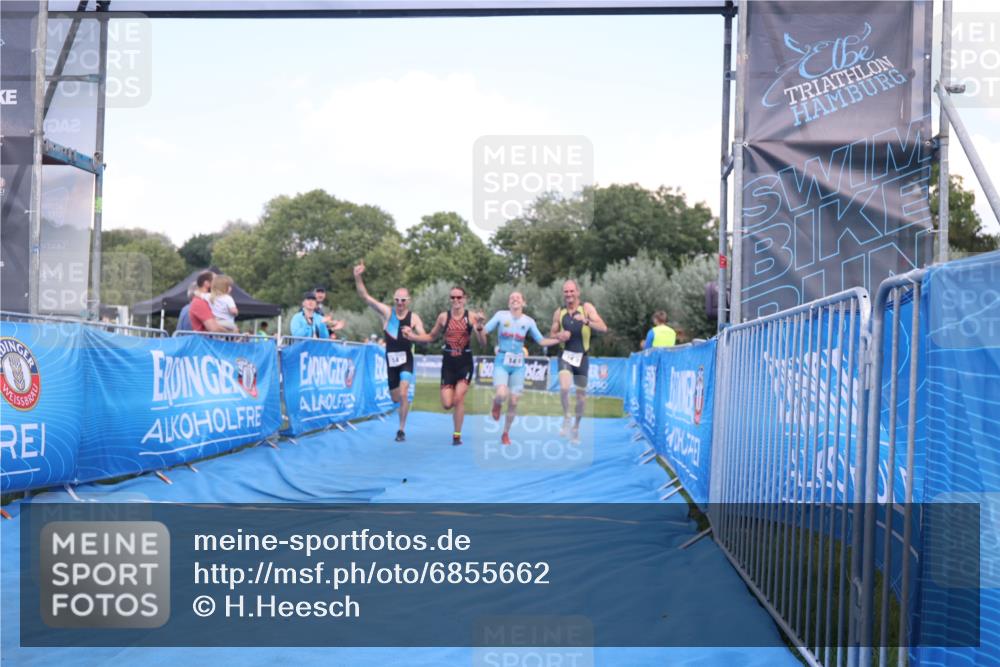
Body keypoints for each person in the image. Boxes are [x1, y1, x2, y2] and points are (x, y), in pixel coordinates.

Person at [354, 260, 428, 442]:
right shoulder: (387, 313)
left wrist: (413, 336)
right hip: (391, 362)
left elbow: (425, 339)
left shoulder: (414, 318)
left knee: (403, 393)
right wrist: (357, 276)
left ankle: (401, 430)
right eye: (397, 300)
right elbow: (366, 297)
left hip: (406, 361)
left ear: (408, 301)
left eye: (403, 300)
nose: (400, 303)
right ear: (394, 300)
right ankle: (401, 407)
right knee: (396, 398)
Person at [482, 291, 569, 445]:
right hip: (502, 361)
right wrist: (478, 325)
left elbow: (541, 341)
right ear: (509, 303)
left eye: (518, 298)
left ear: (523, 303)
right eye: (511, 298)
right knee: (502, 394)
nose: (515, 299)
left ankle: (505, 433)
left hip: (518, 365)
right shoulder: (501, 316)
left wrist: (558, 339)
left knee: (514, 401)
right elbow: (484, 331)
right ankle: (496, 404)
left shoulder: (528, 321)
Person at [404, 286, 486, 446]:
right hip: (448, 364)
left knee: (459, 398)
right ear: (450, 299)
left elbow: (483, 343)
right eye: (453, 297)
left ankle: (457, 435)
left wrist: (481, 326)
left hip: (465, 363)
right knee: (447, 404)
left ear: (465, 298)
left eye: (459, 297)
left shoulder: (473, 317)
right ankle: (456, 427)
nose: (456, 300)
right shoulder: (443, 317)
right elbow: (431, 336)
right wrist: (413, 337)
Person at [550, 280, 608, 443]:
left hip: (582, 357)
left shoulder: (586, 308)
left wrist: (586, 321)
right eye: (566, 292)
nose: (569, 294)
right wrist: (559, 336)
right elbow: (552, 334)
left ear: (578, 292)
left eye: (571, 291)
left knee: (581, 396)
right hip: (565, 355)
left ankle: (576, 427)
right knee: (564, 387)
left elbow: (603, 327)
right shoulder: (559, 312)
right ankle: (567, 416)